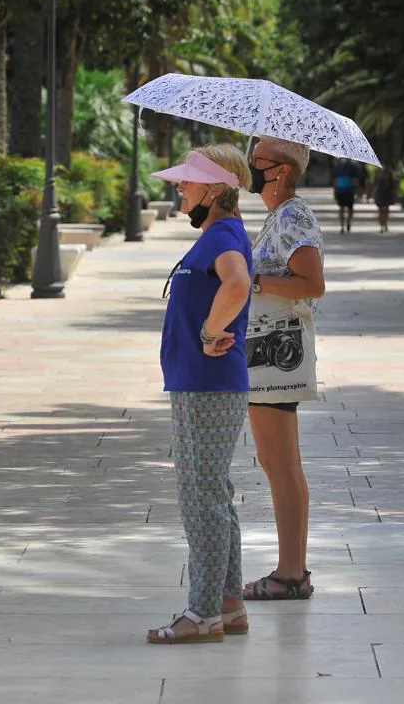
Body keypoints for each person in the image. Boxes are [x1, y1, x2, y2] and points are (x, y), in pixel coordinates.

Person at [146, 145, 254, 645]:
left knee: (200, 499)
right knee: (214, 495)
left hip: (207, 386)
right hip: (200, 383)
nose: (179, 187)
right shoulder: (216, 233)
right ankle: (229, 605)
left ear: (214, 190)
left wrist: (211, 333)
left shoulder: (225, 234)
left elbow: (237, 284)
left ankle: (203, 613)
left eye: (188, 181)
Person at [244, 135, 325, 600]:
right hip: (269, 351)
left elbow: (312, 283)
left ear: (280, 170)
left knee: (280, 464)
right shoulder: (279, 217)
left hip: (277, 354)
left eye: (256, 160)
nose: (249, 167)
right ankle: (292, 568)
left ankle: (290, 572)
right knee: (280, 463)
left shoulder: (293, 216)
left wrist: (252, 279)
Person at [333, 158, 365, 233]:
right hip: (348, 189)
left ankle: (343, 225)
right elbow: (356, 180)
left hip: (342, 188)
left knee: (342, 208)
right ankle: (346, 223)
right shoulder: (353, 166)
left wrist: (335, 190)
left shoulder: (340, 166)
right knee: (347, 208)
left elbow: (335, 179)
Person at [373, 167, 398, 233]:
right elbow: (374, 187)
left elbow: (394, 188)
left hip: (387, 195)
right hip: (380, 195)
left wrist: (394, 196)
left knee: (386, 210)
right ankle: (382, 225)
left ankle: (385, 224)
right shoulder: (378, 178)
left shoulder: (390, 179)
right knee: (381, 211)